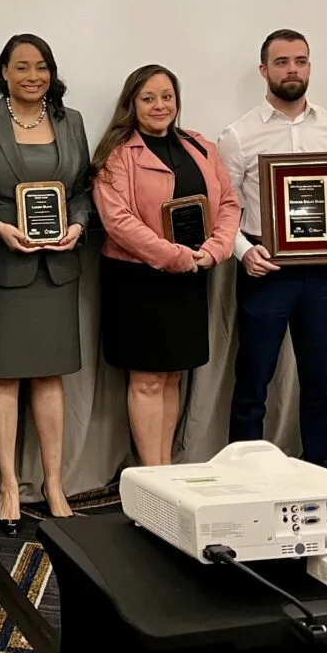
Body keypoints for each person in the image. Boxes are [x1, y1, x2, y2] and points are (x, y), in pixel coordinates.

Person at [0, 33, 92, 532]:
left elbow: (83, 189)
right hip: (2, 268)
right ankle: (8, 484)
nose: (34, 76)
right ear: (4, 73)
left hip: (56, 268)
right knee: (4, 375)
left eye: (42, 67)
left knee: (50, 376)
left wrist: (78, 225)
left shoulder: (71, 121)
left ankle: (53, 483)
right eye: (23, 67)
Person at [217, 29, 327, 467]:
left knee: (321, 382)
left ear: (309, 67)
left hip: (322, 272)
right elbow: (224, 206)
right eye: (282, 62)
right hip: (265, 268)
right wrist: (243, 251)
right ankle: (244, 477)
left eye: (300, 61)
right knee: (253, 382)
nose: (292, 70)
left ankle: (321, 471)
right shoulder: (238, 135)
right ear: (264, 70)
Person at [91, 65, 240, 466]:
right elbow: (118, 221)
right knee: (147, 379)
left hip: (190, 276)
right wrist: (174, 256)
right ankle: (151, 475)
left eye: (167, 97)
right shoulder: (117, 154)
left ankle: (166, 471)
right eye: (149, 98)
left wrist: (215, 250)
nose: (160, 105)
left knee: (173, 375)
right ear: (132, 103)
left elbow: (228, 203)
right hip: (137, 280)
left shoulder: (201, 146)